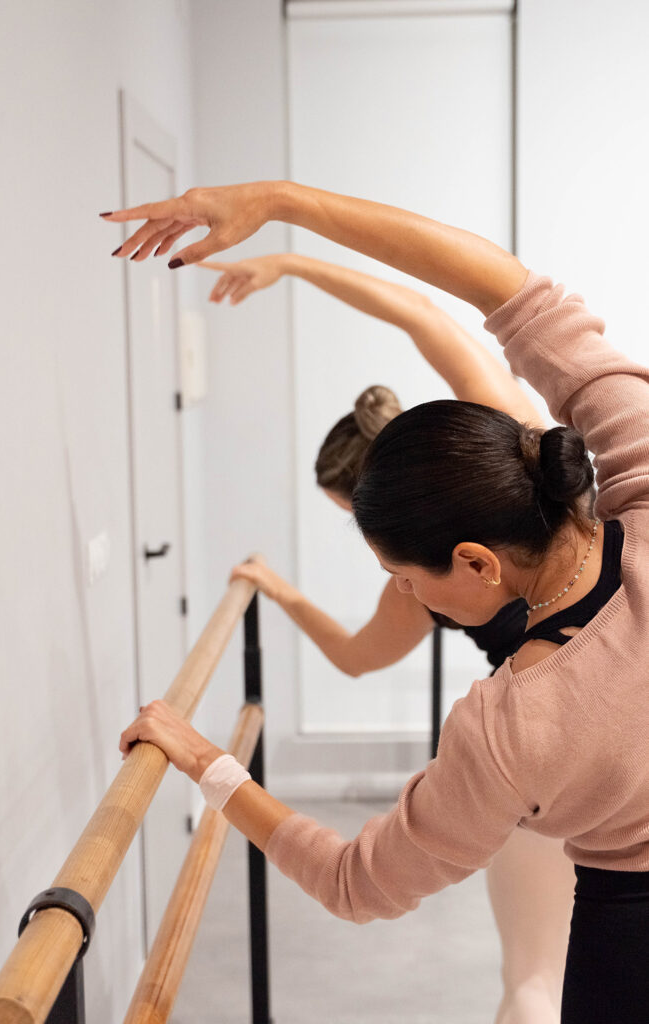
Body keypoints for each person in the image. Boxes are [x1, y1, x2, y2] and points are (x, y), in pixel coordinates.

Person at [109, 181, 649, 1023]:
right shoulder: (631, 459)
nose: (400, 590)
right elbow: (501, 289)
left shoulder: (509, 728)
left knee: (526, 986)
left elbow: (353, 883)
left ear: (473, 563)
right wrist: (279, 204)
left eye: (402, 574)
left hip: (626, 935)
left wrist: (205, 760)